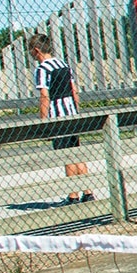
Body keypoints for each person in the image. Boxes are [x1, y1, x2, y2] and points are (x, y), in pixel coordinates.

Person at [27, 33, 94, 204]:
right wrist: (76, 110)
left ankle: (73, 195)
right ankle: (88, 192)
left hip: (58, 115)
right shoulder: (63, 64)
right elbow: (74, 90)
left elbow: (44, 95)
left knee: (66, 155)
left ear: (36, 51)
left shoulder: (42, 69)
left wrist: (44, 120)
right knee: (77, 151)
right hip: (71, 112)